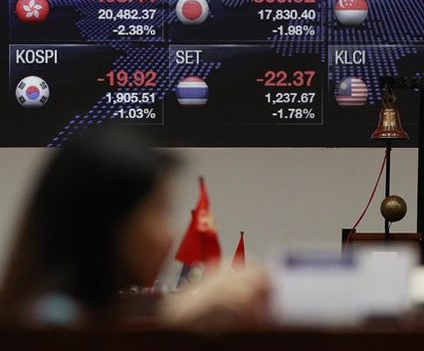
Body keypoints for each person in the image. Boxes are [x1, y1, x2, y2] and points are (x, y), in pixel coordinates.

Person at [0, 126, 268, 328]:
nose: (170, 233)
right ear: (106, 221)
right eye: (158, 210)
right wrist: (175, 322)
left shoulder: (101, 312)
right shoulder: (48, 319)